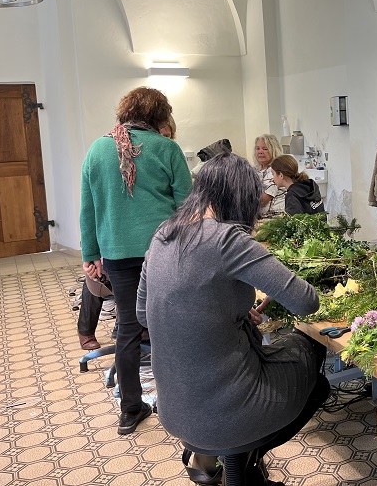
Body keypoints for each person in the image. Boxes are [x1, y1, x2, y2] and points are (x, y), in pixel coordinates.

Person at [136, 152, 330, 486]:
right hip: (223, 411)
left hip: (174, 408)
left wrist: (225, 312)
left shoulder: (163, 234)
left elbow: (144, 313)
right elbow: (306, 301)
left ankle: (224, 462)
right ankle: (245, 467)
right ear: (241, 198)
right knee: (312, 360)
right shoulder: (227, 239)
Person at [79, 87, 192, 435]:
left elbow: (88, 207)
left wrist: (90, 254)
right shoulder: (167, 148)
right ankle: (182, 403)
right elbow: (187, 206)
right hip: (163, 250)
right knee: (171, 324)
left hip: (116, 252)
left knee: (128, 327)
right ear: (159, 115)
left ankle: (130, 409)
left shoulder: (97, 149)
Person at [77, 115, 178, 351]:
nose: (162, 139)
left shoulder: (165, 153)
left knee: (138, 316)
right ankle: (88, 330)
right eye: (161, 133)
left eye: (167, 136)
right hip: (115, 249)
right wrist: (90, 253)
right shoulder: (103, 152)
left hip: (153, 248)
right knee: (98, 271)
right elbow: (89, 209)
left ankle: (137, 334)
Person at [254, 133, 285, 217]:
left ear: (274, 150)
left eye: (265, 149)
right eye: (257, 148)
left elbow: (263, 201)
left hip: (275, 218)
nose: (260, 152)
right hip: (260, 217)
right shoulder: (255, 170)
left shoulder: (276, 170)